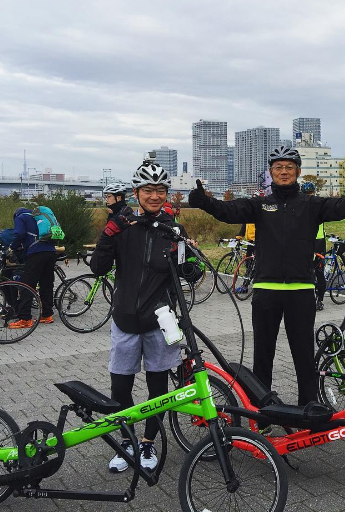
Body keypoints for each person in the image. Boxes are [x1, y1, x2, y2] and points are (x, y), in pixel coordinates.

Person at [189, 146, 345, 407]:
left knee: (303, 353)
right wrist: (205, 202)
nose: (284, 171)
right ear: (271, 173)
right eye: (278, 167)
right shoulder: (260, 204)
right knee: (263, 355)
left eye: (289, 167)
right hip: (266, 290)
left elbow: (342, 206)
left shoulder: (312, 204)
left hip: (301, 290)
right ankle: (262, 409)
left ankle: (309, 405)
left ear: (298, 172)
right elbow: (229, 210)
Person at [91, 156, 196, 472]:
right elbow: (98, 268)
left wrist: (191, 259)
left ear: (166, 194)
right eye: (148, 190)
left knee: (157, 391)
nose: (154, 196)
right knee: (119, 389)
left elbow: (187, 272)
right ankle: (127, 442)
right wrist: (108, 234)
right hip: (124, 320)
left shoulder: (173, 228)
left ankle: (148, 445)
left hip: (159, 323)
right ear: (136, 193)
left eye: (161, 190)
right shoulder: (123, 227)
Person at [8, 207, 57, 327]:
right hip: (51, 252)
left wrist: (11, 248)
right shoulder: (37, 217)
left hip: (36, 253)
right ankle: (47, 315)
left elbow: (19, 234)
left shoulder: (20, 217)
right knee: (46, 284)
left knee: (26, 285)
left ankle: (25, 319)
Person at [301, 181, 327, 310]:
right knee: (317, 271)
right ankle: (318, 300)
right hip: (317, 241)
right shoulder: (318, 203)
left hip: (312, 241)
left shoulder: (303, 204)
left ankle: (316, 300)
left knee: (312, 271)